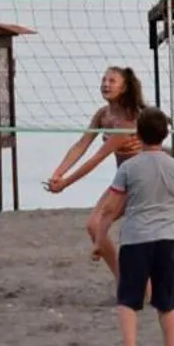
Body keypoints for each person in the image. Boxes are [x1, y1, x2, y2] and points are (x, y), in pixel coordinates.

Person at [89, 107, 174, 346]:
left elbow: (109, 209)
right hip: (168, 240)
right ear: (165, 135)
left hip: (135, 240)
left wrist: (99, 239)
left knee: (128, 300)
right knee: (167, 303)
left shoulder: (129, 167)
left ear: (138, 134)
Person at [44, 66, 144, 274]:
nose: (105, 84)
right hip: (123, 179)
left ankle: (129, 284)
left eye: (112, 81)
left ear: (125, 87)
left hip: (142, 180)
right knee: (95, 226)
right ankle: (123, 279)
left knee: (102, 226)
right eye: (103, 80)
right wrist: (58, 173)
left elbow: (98, 156)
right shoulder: (103, 114)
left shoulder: (129, 118)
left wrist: (65, 184)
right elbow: (82, 144)